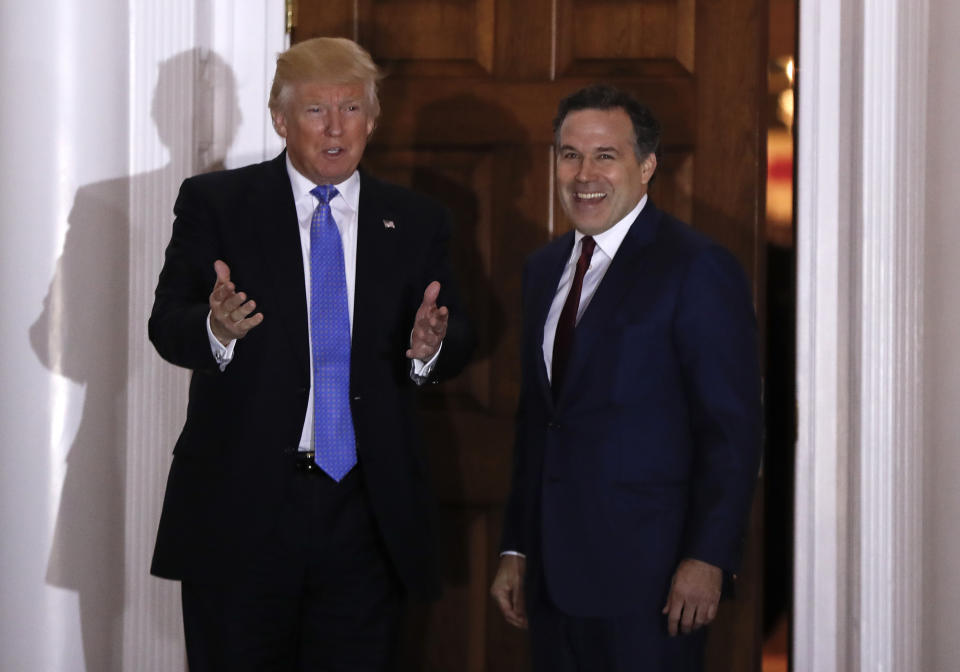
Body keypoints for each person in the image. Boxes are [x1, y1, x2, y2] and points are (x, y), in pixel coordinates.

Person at [148, 37, 474, 671]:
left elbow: (456, 331)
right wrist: (216, 329)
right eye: (316, 111)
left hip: (365, 513)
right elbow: (168, 325)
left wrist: (432, 348)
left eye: (351, 109)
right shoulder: (216, 203)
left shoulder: (415, 219)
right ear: (280, 120)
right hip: (242, 509)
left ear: (372, 120)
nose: (335, 128)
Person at [490, 84, 762, 671]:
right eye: (569, 155)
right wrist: (516, 545)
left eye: (605, 155)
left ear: (647, 165)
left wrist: (708, 556)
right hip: (552, 578)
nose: (584, 173)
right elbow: (540, 422)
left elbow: (731, 432)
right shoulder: (543, 270)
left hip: (654, 582)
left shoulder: (697, 268)